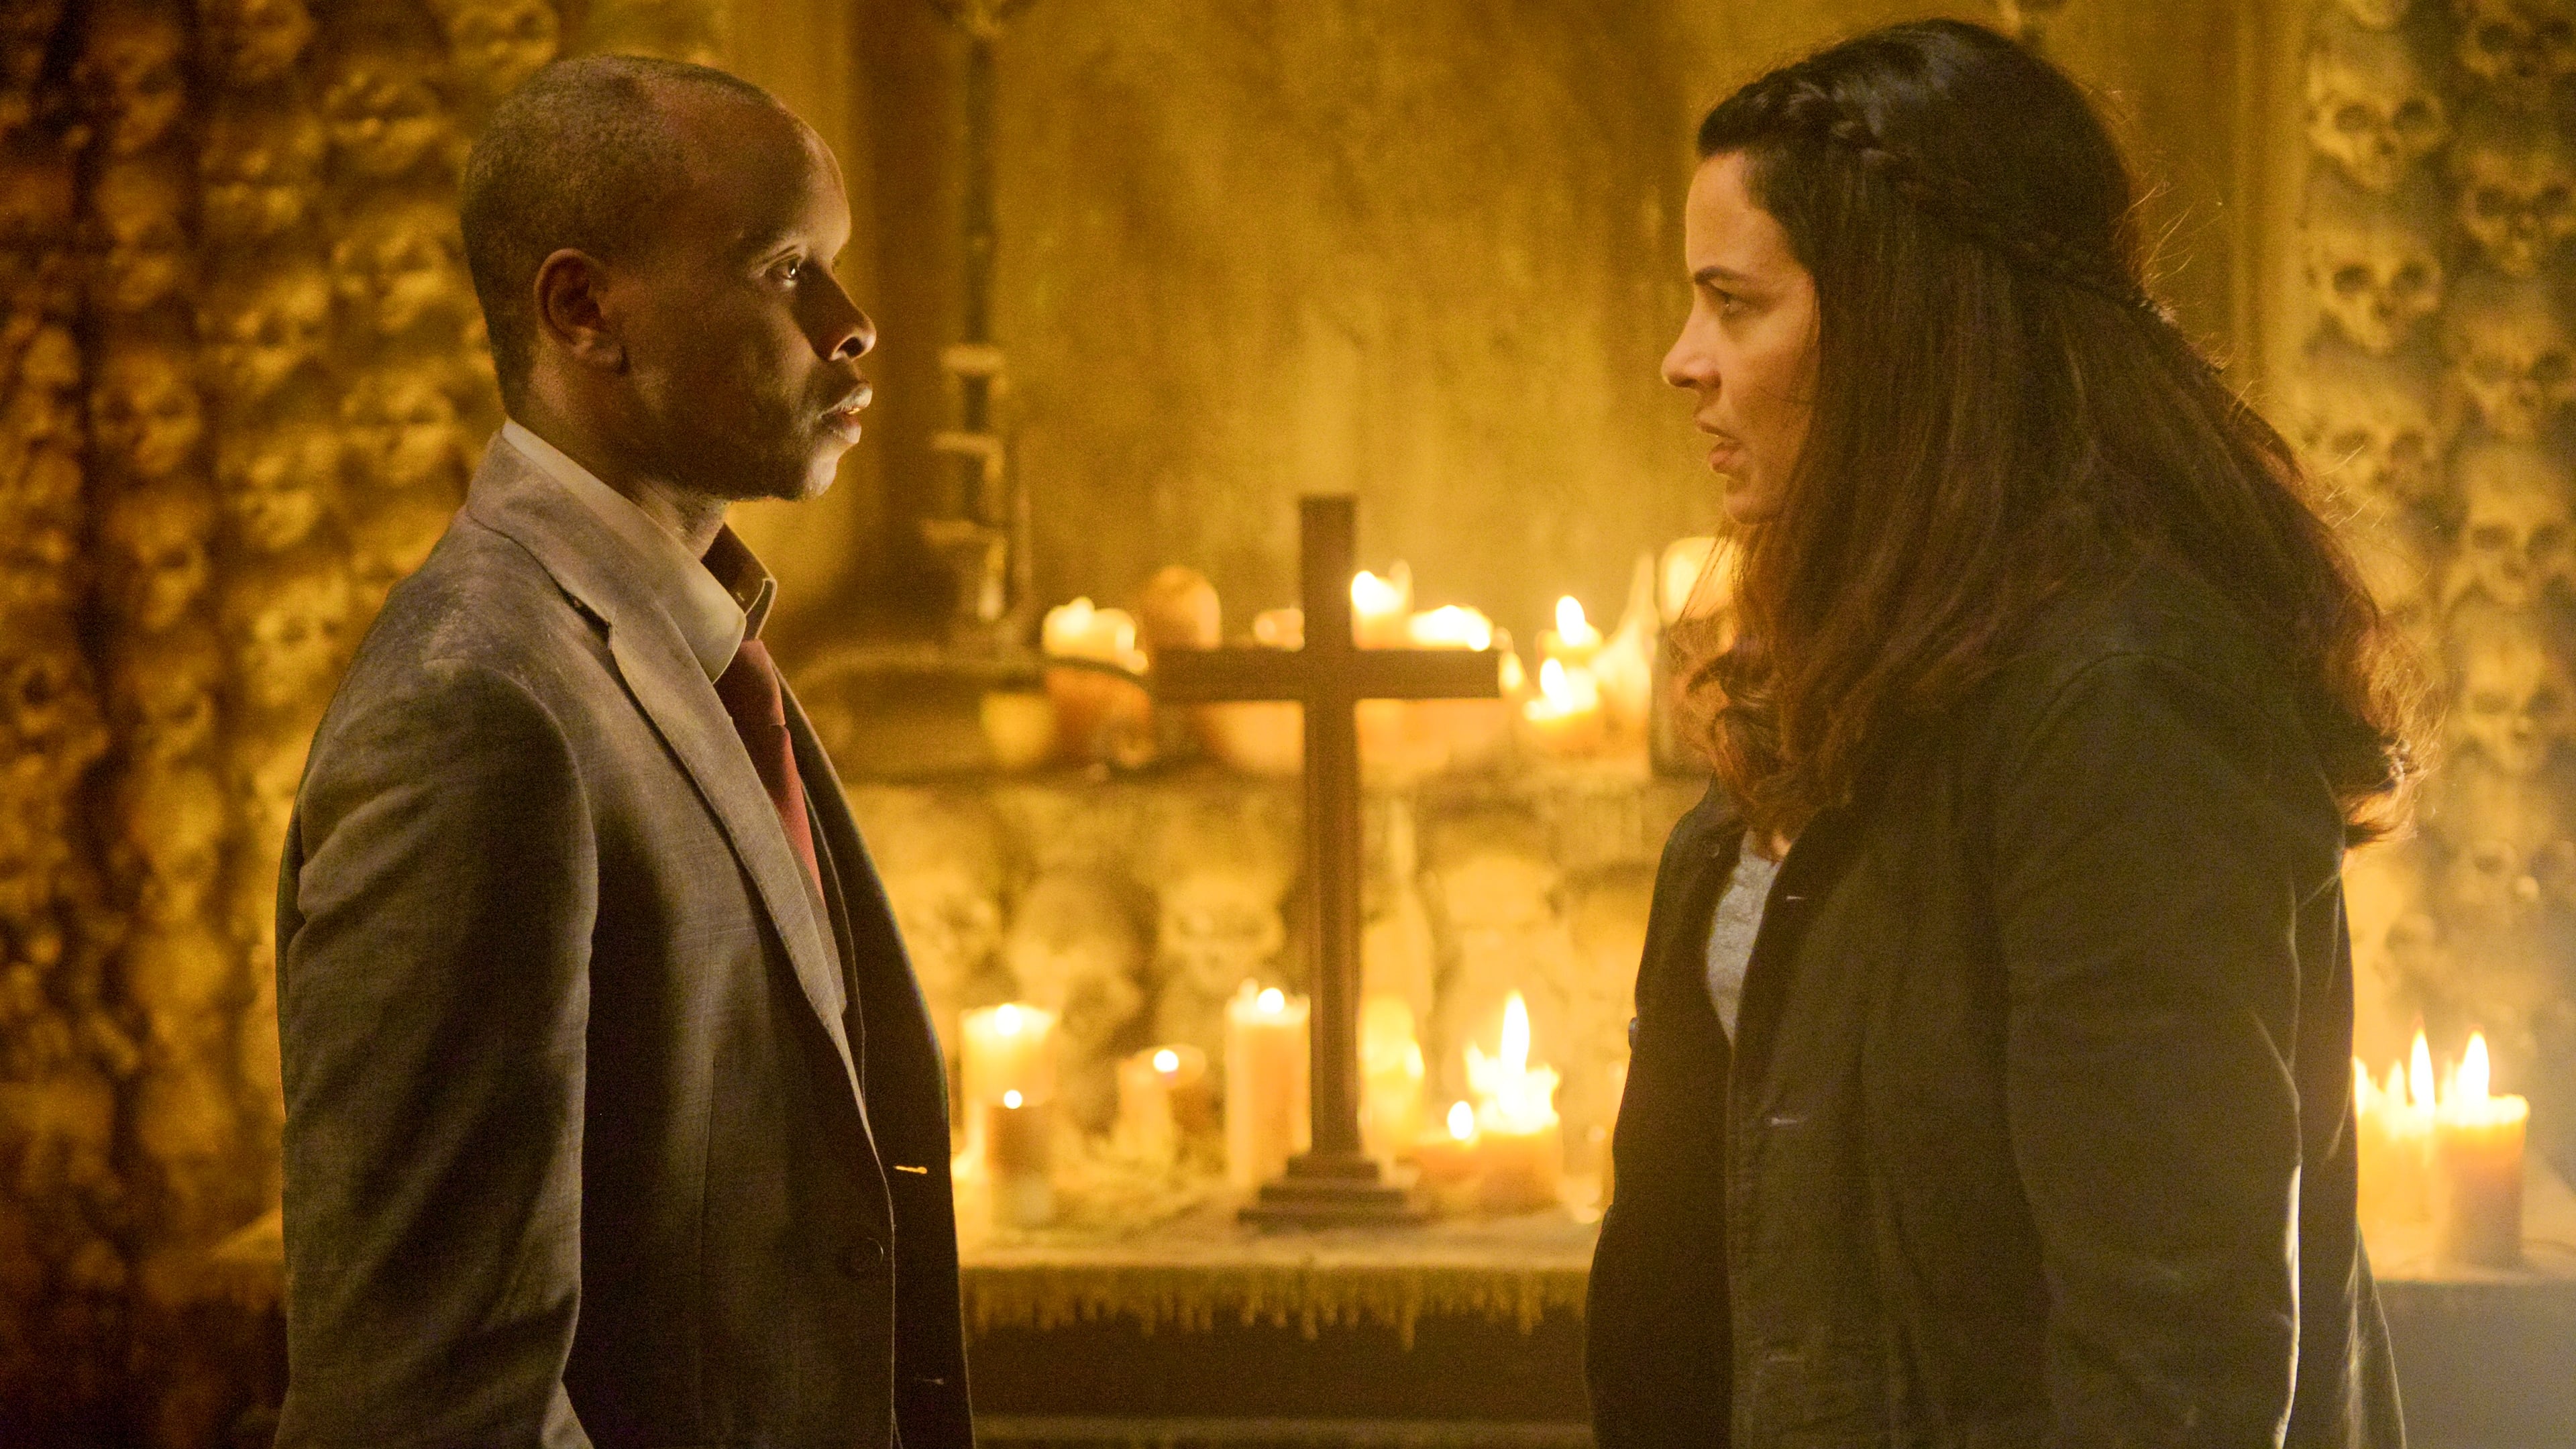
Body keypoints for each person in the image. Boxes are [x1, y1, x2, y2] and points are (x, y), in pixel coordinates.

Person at [1588, 21, 2422, 1448]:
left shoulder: (2124, 702)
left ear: (1901, 322)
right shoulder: (1868, 665)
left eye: (1735, 304)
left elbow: (2175, 1354)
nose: (1683, 361)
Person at [274, 56, 971, 1448]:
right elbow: (429, 1401)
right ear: (585, 311)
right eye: (785, 270)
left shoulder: (688, 632)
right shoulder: (476, 712)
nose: (851, 327)